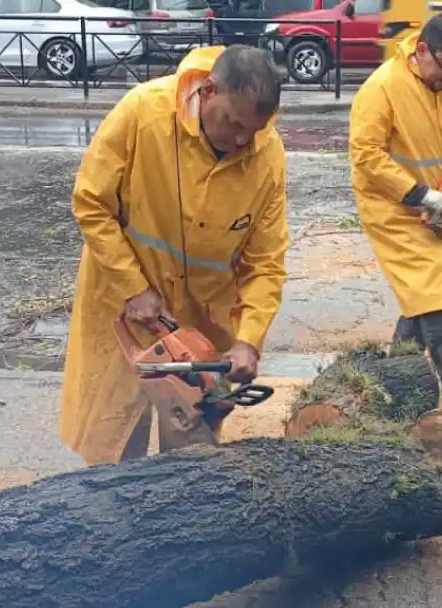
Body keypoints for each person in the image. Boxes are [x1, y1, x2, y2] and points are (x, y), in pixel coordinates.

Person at [59, 44, 289, 466]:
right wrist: (134, 287)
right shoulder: (144, 113)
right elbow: (91, 202)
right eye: (232, 124)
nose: (240, 141)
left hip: (200, 322)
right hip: (124, 307)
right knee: (116, 441)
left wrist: (248, 341)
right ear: (208, 91)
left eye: (251, 132)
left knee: (192, 451)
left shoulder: (267, 156)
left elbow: (267, 263)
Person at [348, 13, 442, 403]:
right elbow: (366, 155)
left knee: (420, 289)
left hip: (432, 199)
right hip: (390, 205)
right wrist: (417, 194)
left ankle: (398, 368)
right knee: (433, 279)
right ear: (423, 51)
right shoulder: (383, 88)